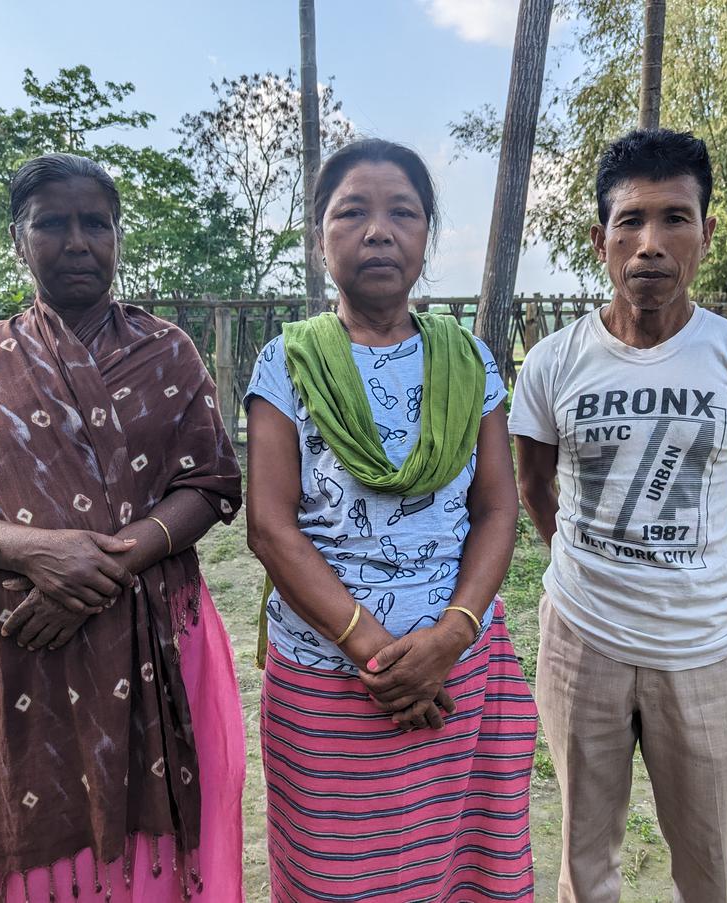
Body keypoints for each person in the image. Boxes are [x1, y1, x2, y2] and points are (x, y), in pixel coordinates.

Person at [0, 153, 246, 903]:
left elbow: (212, 481)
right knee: (44, 848)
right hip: (26, 649)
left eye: (97, 223)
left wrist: (102, 566)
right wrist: (34, 551)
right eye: (53, 223)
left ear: (119, 237)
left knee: (170, 841)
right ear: (19, 241)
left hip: (158, 638)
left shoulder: (168, 351)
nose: (78, 240)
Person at [509, 129, 727, 903]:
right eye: (630, 221)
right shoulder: (551, 363)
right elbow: (535, 487)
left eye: (675, 218)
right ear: (599, 240)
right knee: (585, 860)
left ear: (707, 234)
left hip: (705, 647)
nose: (651, 243)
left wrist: (688, 564)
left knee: (707, 864)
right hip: (580, 641)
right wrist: (593, 561)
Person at [245, 138, 537, 902]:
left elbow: (498, 507)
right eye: (353, 212)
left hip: (459, 672)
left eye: (402, 212)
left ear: (427, 236)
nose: (379, 230)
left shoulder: (470, 362)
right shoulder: (287, 362)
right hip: (328, 678)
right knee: (334, 876)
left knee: (459, 867)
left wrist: (448, 638)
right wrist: (378, 654)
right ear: (320, 239)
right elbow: (270, 526)